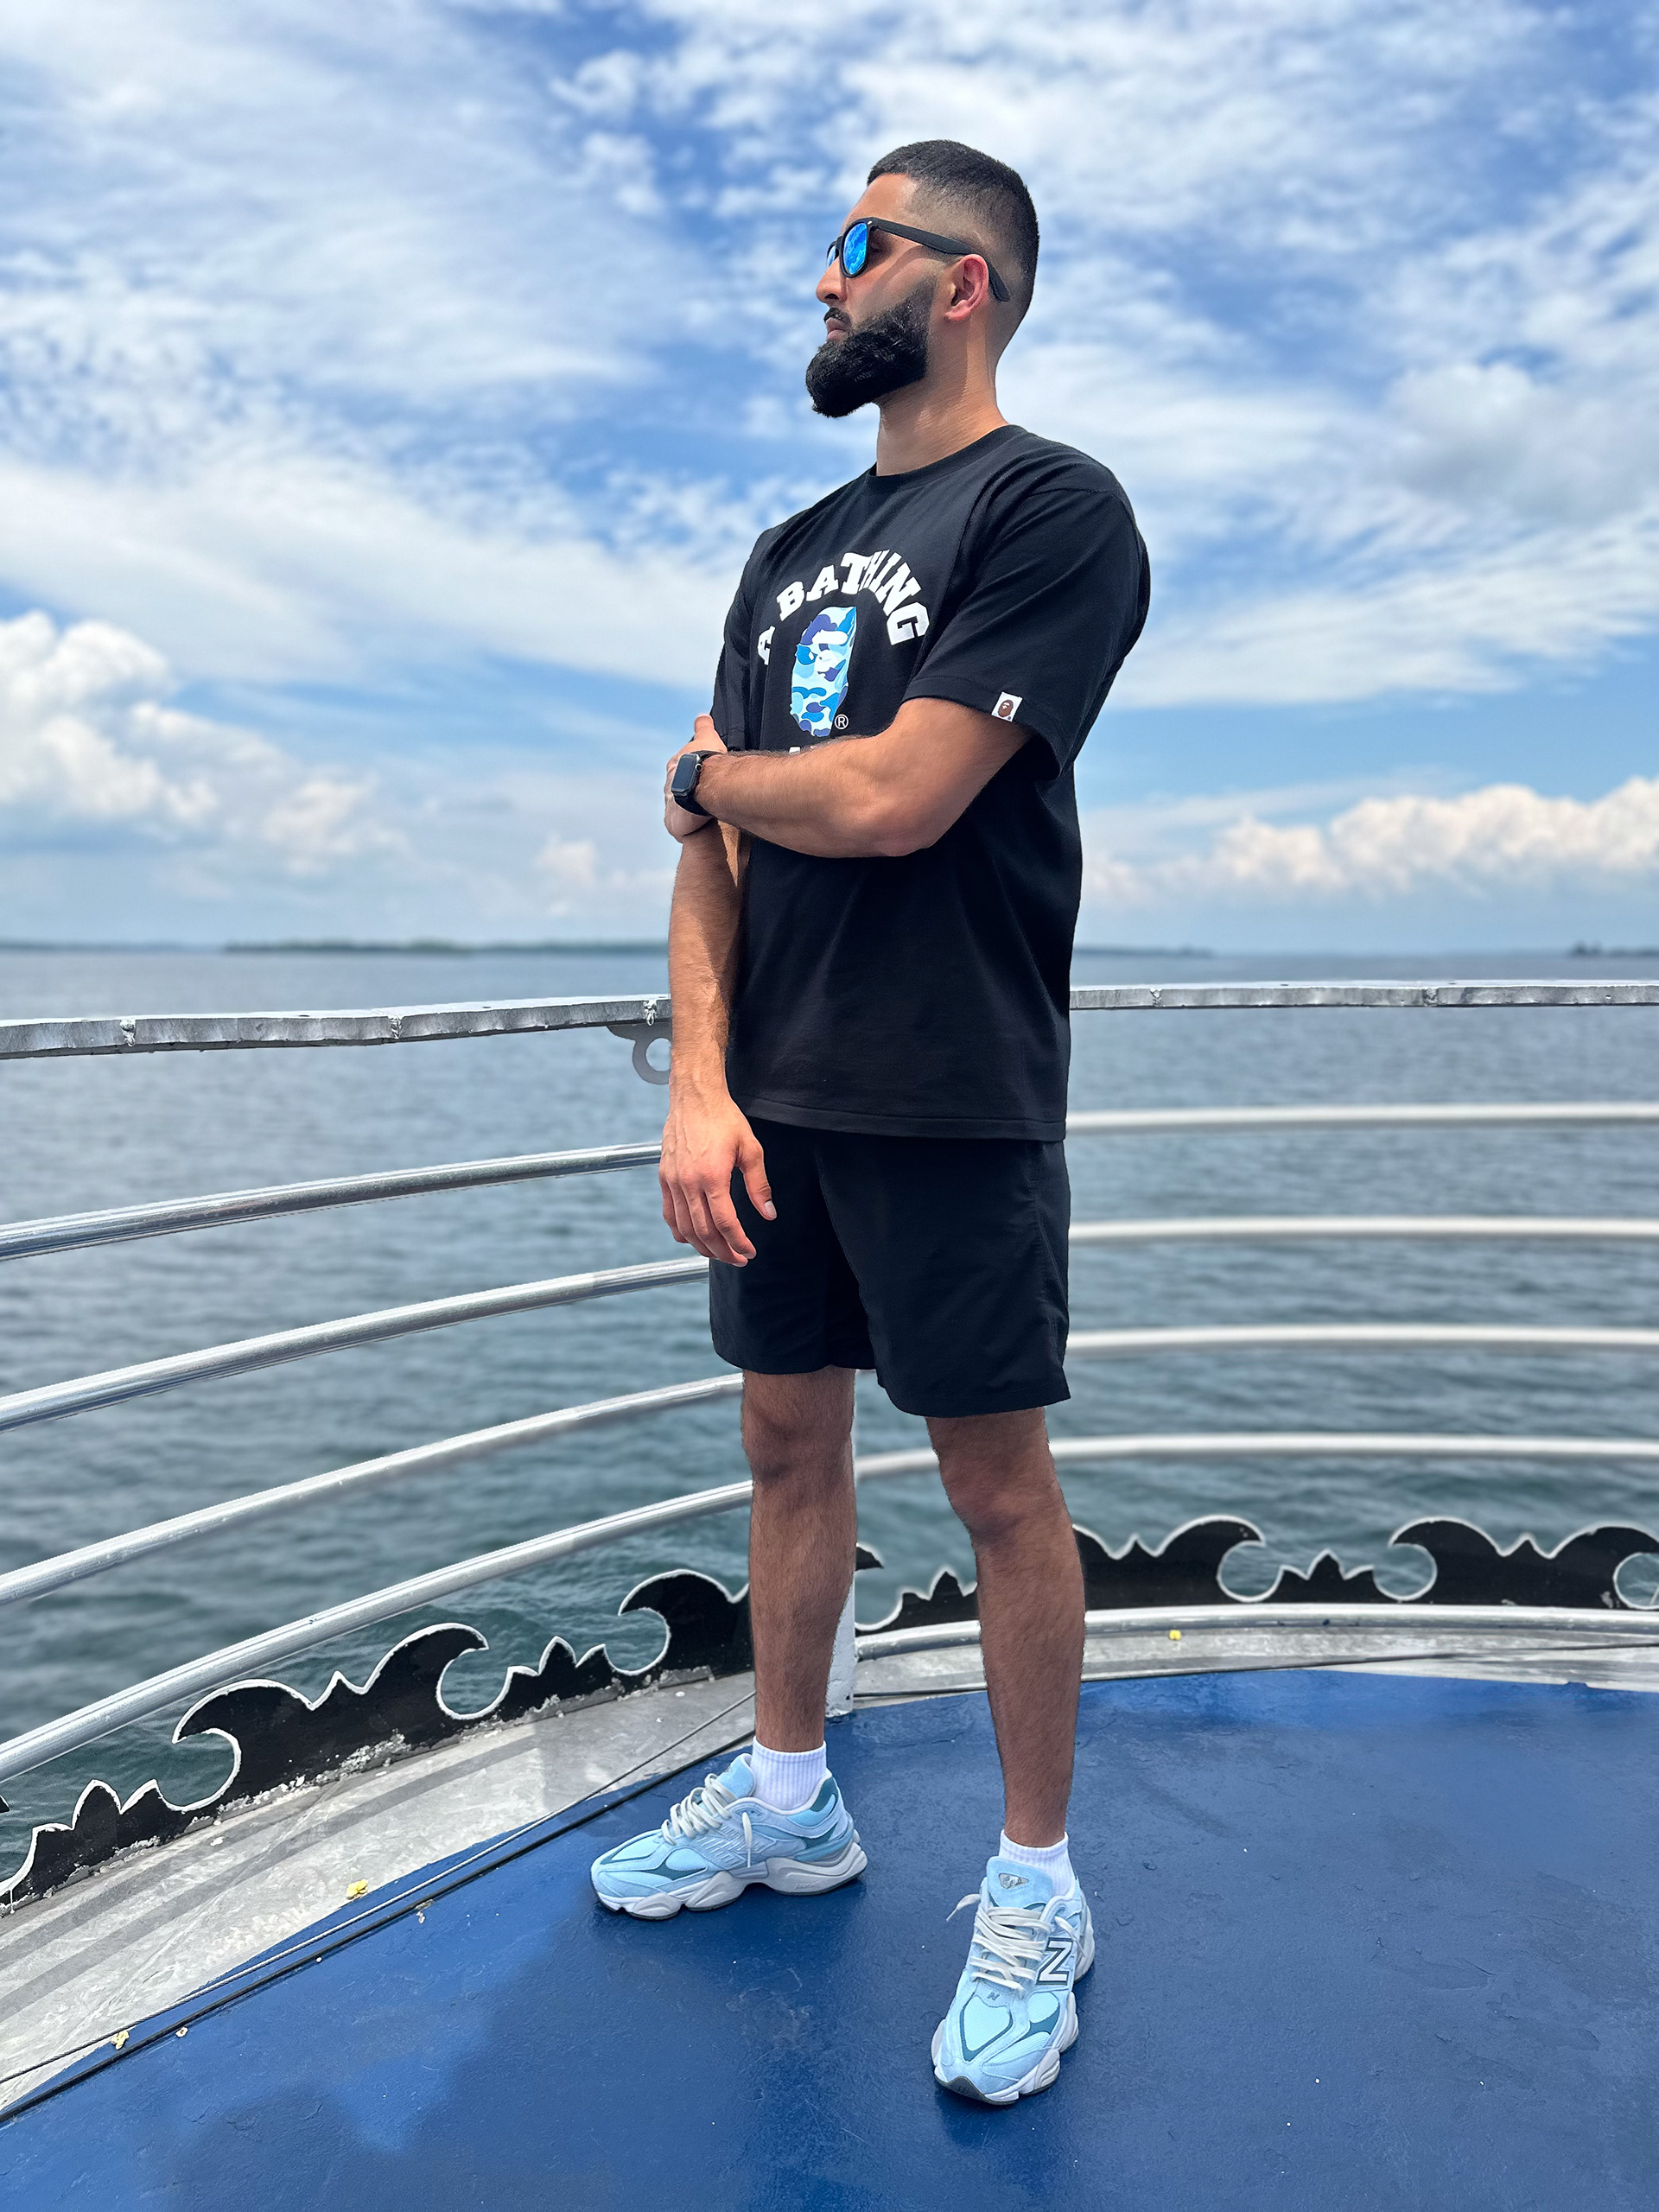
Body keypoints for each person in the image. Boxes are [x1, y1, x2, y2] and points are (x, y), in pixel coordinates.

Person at [590, 137, 1149, 2106]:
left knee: (996, 1487)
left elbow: (909, 791)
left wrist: (715, 775)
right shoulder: (785, 544)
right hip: (778, 1103)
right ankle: (789, 1796)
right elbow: (705, 839)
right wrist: (694, 1074)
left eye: (855, 252)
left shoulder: (1051, 509)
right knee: (781, 1441)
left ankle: (1034, 1886)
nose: (824, 289)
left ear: (962, 282)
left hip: (949, 1087)